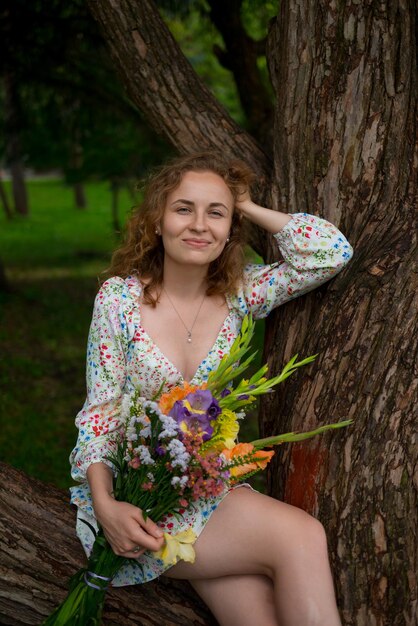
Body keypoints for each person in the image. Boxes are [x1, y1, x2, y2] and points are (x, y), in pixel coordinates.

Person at [70, 152, 353, 626]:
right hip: (135, 498)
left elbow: (330, 252)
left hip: (203, 488)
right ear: (156, 221)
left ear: (230, 230)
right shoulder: (118, 299)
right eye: (183, 209)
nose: (199, 225)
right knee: (301, 537)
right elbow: (101, 415)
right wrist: (105, 504)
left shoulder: (241, 295)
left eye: (215, 213)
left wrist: (245, 205)